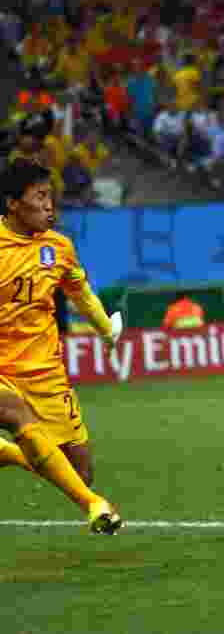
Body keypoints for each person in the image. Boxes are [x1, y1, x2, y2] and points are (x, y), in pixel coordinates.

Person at [0, 159, 123, 533]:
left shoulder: (59, 247)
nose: (49, 206)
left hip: (45, 372)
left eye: (50, 197)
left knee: (80, 471)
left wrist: (106, 332)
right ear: (13, 204)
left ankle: (19, 455)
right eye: (39, 197)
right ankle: (95, 507)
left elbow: (81, 295)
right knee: (15, 413)